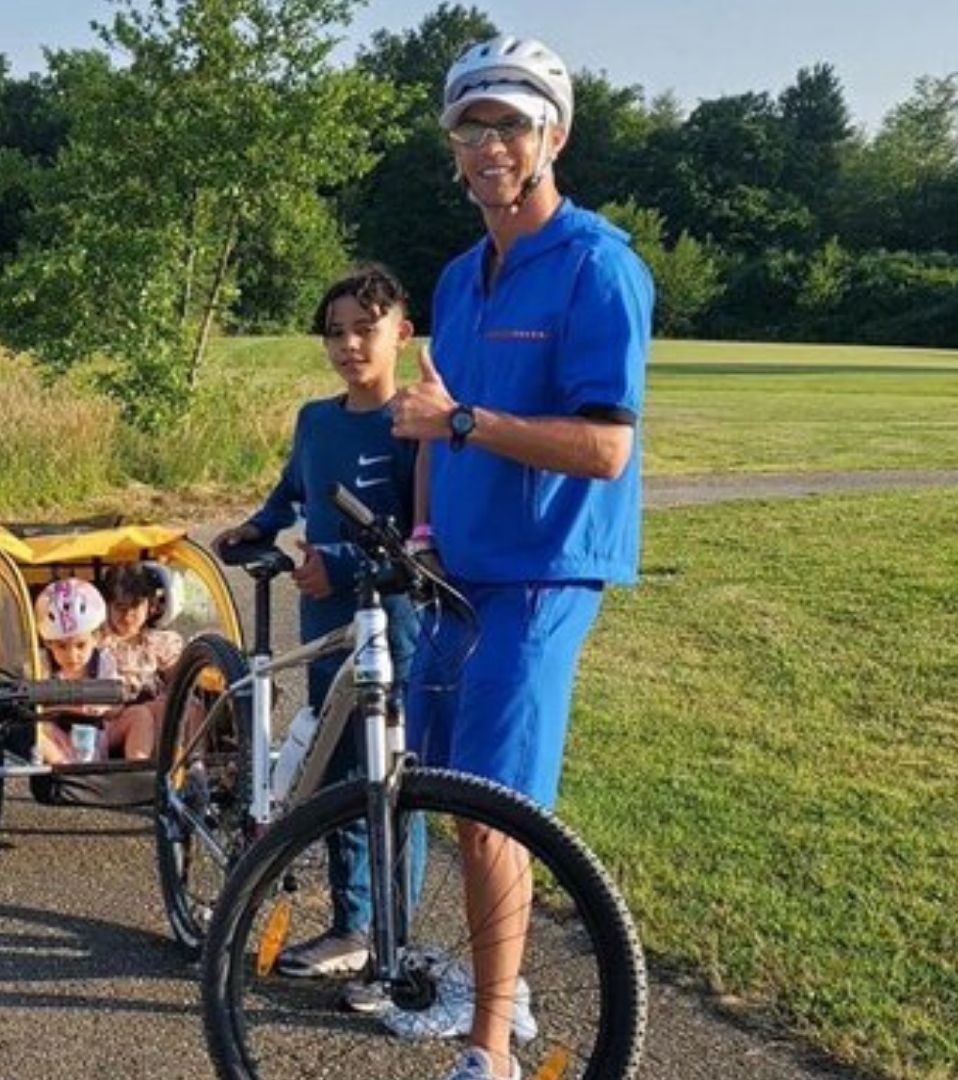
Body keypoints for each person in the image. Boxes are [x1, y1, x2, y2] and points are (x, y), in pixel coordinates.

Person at [390, 36, 653, 1080]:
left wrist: (466, 425)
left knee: (498, 813)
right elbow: (426, 419)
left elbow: (606, 446)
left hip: (543, 575)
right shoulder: (460, 275)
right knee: (456, 799)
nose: (490, 143)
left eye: (510, 122)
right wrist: (417, 534)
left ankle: (487, 1052)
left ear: (556, 134)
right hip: (453, 572)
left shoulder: (598, 264)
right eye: (471, 125)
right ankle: (510, 986)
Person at [213, 264, 423, 993]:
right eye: (335, 333)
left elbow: (415, 530)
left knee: (394, 777)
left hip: (394, 625)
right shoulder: (316, 420)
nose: (349, 345)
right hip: (328, 621)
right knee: (336, 775)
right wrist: (259, 525)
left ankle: (397, 934)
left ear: (403, 333)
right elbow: (291, 490)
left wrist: (335, 556)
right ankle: (351, 924)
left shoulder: (413, 424)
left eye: (366, 329)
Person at [95, 563, 183, 760]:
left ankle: (195, 767)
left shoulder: (158, 641)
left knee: (189, 705)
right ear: (107, 606)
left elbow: (178, 679)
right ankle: (139, 774)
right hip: (113, 716)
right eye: (120, 607)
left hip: (152, 709)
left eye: (135, 607)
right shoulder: (97, 641)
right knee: (141, 715)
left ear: (151, 605)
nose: (128, 616)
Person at [32, 578, 121, 763]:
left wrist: (105, 707)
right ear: (48, 643)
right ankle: (65, 773)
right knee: (36, 732)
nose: (72, 655)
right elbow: (31, 708)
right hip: (56, 735)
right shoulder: (42, 665)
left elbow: (118, 706)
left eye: (81, 645)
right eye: (61, 646)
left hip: (96, 733)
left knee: (139, 717)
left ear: (96, 638)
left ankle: (138, 767)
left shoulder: (104, 662)